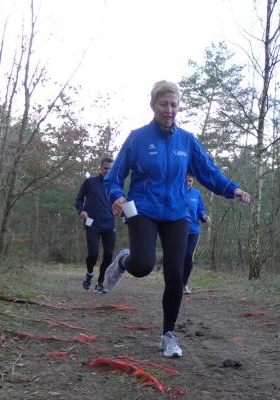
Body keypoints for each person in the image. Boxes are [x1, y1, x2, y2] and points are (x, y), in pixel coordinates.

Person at [103, 80, 250, 358]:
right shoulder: (138, 138)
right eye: (163, 104)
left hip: (177, 212)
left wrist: (233, 189)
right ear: (153, 105)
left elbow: (209, 172)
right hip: (143, 209)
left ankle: (168, 334)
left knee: (175, 273)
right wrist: (117, 195)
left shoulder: (187, 140)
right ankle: (124, 261)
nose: (169, 110)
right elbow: (114, 176)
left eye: (174, 104)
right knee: (142, 266)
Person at [75, 157, 115, 294]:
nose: (107, 171)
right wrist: (81, 211)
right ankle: (89, 273)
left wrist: (124, 214)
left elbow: (121, 201)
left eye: (110, 169)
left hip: (109, 224)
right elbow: (79, 199)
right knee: (93, 254)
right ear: (100, 168)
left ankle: (100, 283)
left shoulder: (115, 184)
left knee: (108, 255)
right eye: (105, 168)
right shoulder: (90, 182)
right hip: (92, 223)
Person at [183, 174, 211, 294]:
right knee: (179, 256)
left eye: (190, 181)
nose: (188, 183)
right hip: (179, 231)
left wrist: (204, 217)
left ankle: (184, 284)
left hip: (194, 230)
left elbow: (200, 210)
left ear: (193, 181)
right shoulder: (176, 191)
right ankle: (175, 282)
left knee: (189, 255)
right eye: (186, 181)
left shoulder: (196, 193)